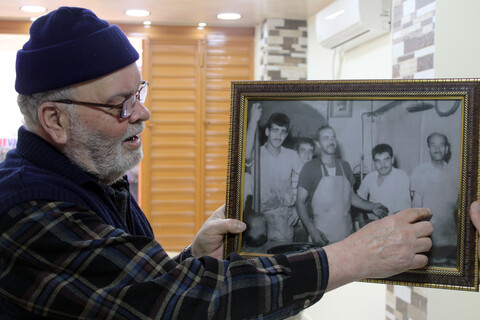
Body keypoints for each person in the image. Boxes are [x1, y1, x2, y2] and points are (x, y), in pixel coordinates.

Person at [0, 6, 436, 319]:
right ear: (55, 120)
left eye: (139, 94)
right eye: (121, 104)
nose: (142, 114)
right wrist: (353, 257)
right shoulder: (27, 211)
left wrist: (192, 256)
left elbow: (129, 295)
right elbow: (178, 303)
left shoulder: (95, 177)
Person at [296, 125, 389, 245]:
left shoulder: (345, 166)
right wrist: (312, 230)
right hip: (321, 238)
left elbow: (352, 197)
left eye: (333, 137)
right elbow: (300, 203)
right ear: (318, 144)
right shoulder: (309, 168)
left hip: (347, 237)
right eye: (326, 138)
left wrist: (372, 206)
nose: (331, 141)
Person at [244, 104, 303, 247]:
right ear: (267, 132)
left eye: (283, 132)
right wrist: (253, 121)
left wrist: (298, 208)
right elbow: (246, 155)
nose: (279, 135)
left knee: (282, 259)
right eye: (275, 130)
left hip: (283, 217)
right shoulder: (257, 153)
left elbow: (305, 183)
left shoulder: (291, 155)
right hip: (259, 218)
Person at [411, 132, 459, 267]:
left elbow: (457, 206)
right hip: (429, 239)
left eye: (441, 145)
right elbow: (416, 207)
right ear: (428, 149)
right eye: (433, 145)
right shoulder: (420, 172)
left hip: (451, 240)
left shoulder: (455, 173)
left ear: (447, 149)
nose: (437, 149)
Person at [357, 143, 411, 218]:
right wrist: (361, 221)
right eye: (378, 161)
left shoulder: (401, 176)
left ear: (392, 160)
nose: (382, 165)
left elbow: (404, 210)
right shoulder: (369, 178)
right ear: (374, 163)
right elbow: (360, 200)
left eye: (386, 160)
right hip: (373, 224)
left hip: (396, 223)